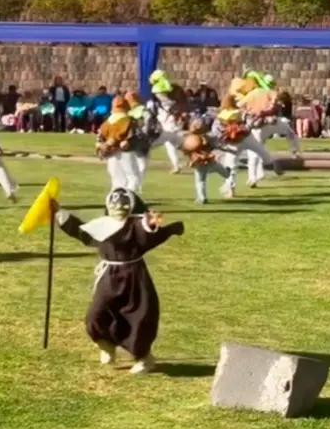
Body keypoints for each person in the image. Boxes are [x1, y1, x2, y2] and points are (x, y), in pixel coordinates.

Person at [52, 188, 185, 374]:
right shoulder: (102, 225)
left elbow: (150, 233)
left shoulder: (137, 225)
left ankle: (144, 357)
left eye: (124, 204)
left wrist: (155, 223)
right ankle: (106, 344)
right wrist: (60, 213)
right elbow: (82, 233)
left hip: (134, 277)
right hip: (109, 276)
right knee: (97, 313)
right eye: (115, 204)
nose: (119, 208)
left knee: (138, 315)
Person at [96, 96, 142, 192]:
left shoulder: (106, 123)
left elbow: (99, 139)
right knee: (133, 176)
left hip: (111, 154)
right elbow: (137, 135)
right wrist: (128, 142)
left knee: (116, 178)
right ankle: (130, 197)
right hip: (126, 152)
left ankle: (115, 198)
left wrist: (100, 149)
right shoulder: (129, 121)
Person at [180, 118, 231, 204]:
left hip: (199, 162)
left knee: (200, 180)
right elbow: (215, 144)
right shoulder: (206, 137)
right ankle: (226, 173)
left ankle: (202, 198)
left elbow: (185, 149)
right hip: (208, 160)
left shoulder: (189, 138)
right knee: (219, 169)